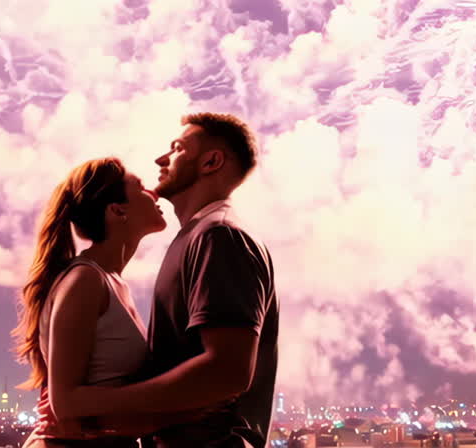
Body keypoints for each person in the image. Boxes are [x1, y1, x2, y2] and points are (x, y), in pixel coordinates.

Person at [69, 113, 279, 448]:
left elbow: (227, 371)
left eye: (177, 148)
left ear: (211, 161)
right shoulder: (197, 237)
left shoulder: (220, 236)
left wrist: (96, 405)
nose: (161, 159)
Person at [14, 157, 168, 447]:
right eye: (142, 187)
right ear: (117, 210)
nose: (155, 193)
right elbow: (66, 402)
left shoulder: (112, 281)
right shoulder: (85, 281)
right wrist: (169, 408)